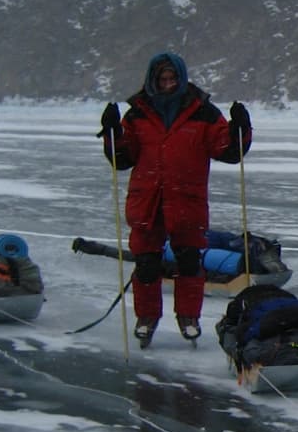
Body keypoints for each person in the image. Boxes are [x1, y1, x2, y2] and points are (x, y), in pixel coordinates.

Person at [99, 52, 251, 348]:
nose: (167, 84)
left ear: (181, 79)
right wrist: (113, 133)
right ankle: (147, 318)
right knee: (146, 264)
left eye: (172, 79)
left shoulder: (203, 112)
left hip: (187, 201)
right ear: (153, 81)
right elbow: (122, 159)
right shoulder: (138, 113)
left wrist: (239, 131)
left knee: (190, 262)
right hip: (147, 201)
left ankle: (188, 318)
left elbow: (228, 151)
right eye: (162, 79)